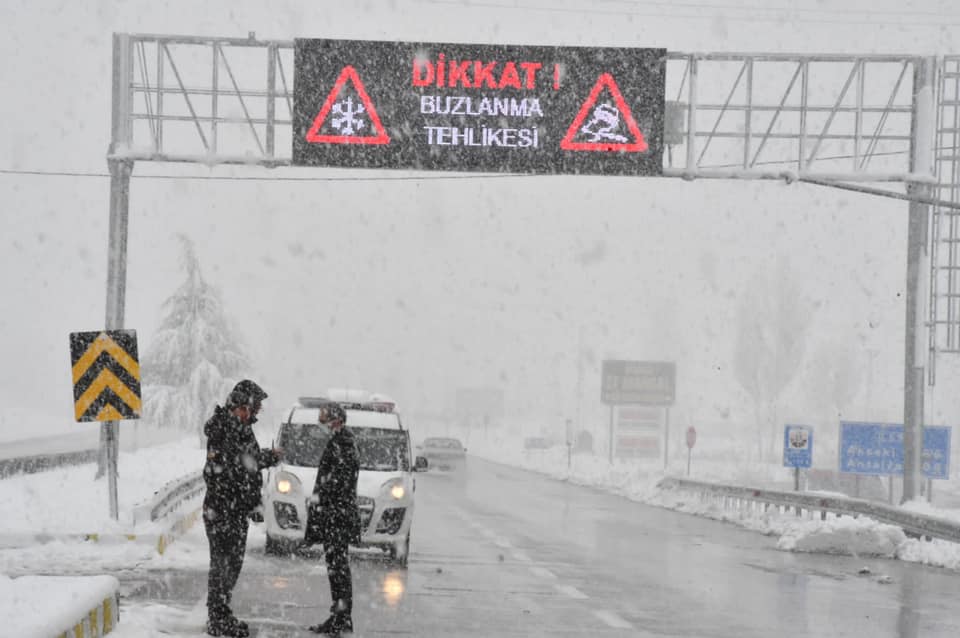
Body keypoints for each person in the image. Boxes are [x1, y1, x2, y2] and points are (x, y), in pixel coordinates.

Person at [202, 379, 282, 637]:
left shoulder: (240, 428)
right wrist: (264, 460)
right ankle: (217, 619)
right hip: (223, 510)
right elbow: (232, 469)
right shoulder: (224, 429)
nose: (256, 413)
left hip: (234, 511)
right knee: (222, 565)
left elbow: (246, 466)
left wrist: (251, 500)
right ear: (240, 406)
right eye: (253, 408)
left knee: (232, 564)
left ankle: (222, 613)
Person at [306, 402, 361, 635]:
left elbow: (339, 482)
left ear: (336, 421)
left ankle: (342, 617)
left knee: (338, 569)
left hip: (337, 517)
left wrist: (322, 499)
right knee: (336, 568)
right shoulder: (339, 442)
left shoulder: (344, 444)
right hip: (335, 515)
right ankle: (339, 615)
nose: (321, 425)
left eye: (324, 420)